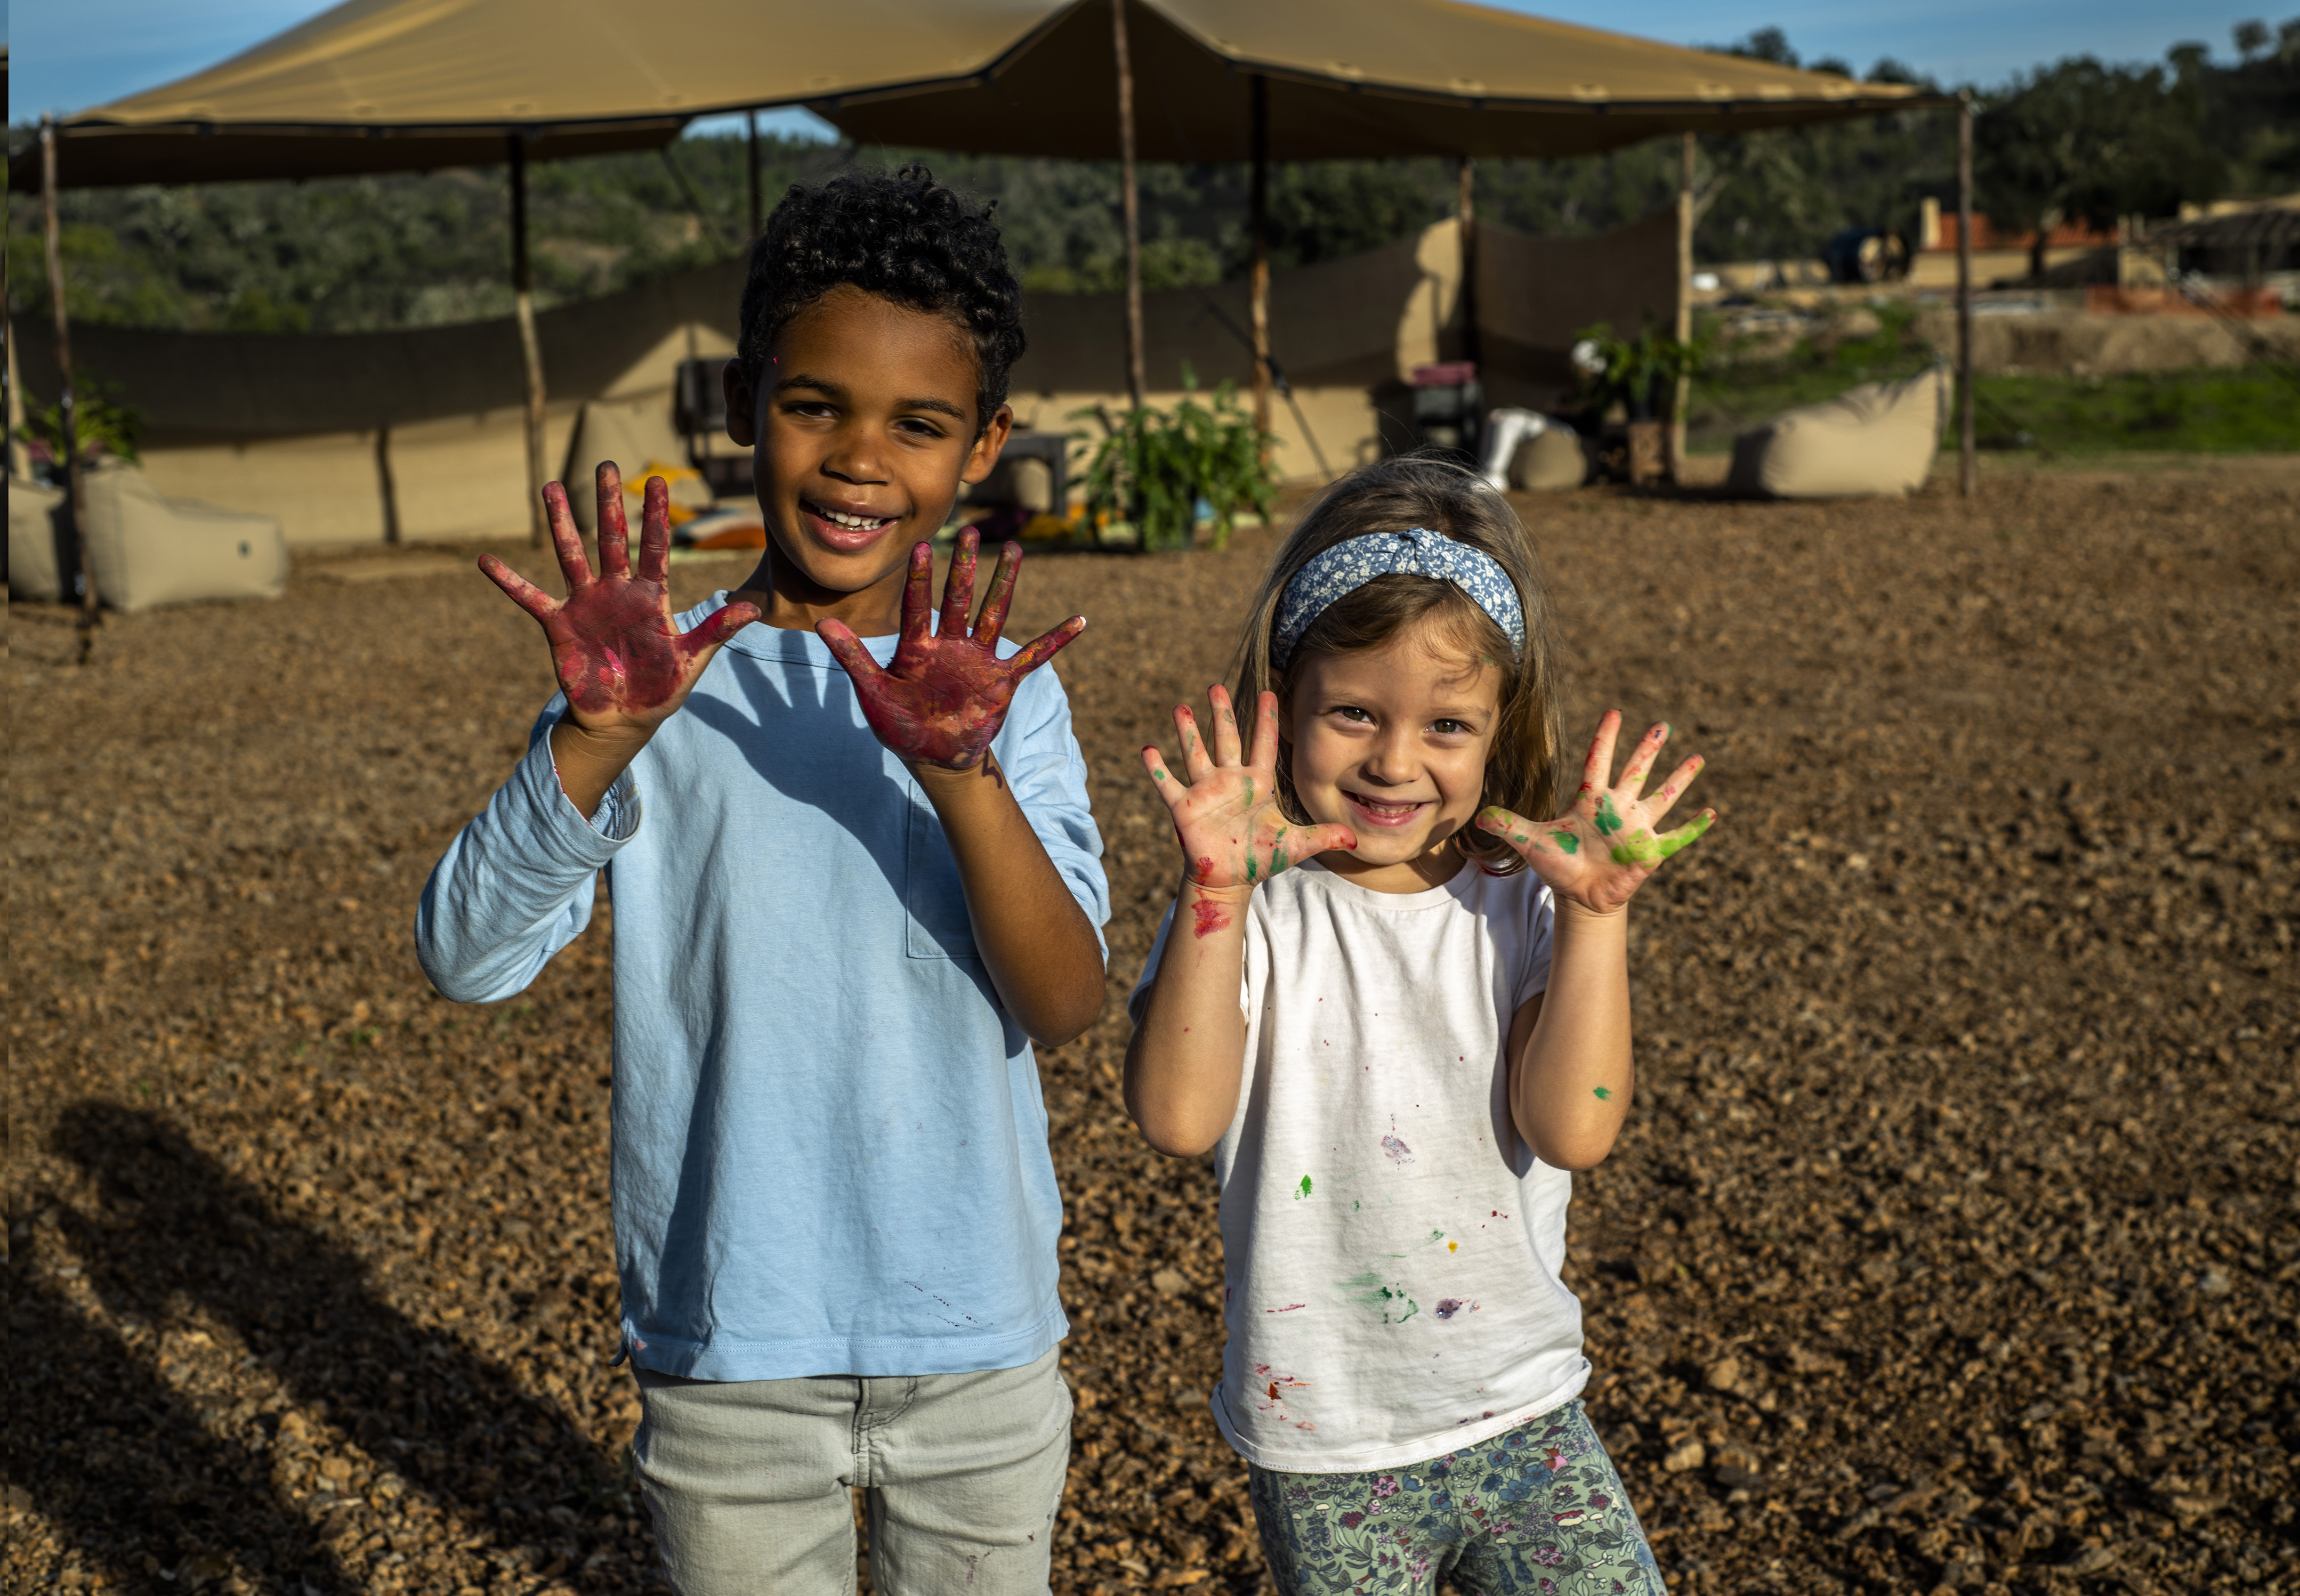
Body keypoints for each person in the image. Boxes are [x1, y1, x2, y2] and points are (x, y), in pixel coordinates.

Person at [416, 165, 1108, 1596]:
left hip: (974, 1335)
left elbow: (1065, 999)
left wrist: (962, 774)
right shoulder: (652, 688)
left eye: (919, 424)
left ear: (982, 447)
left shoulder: (1000, 702)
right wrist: (594, 742)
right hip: (730, 1340)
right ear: (744, 404)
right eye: (815, 406)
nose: (861, 458)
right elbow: (466, 957)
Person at [1123, 455, 1713, 1595]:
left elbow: (1575, 1129)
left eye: (1447, 723)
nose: (1395, 761)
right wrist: (1213, 900)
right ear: (1284, 700)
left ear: (1502, 728)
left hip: (1527, 1409)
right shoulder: (1249, 909)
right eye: (1354, 712)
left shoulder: (1524, 905)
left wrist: (1595, 919)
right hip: (1327, 1437)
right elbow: (1178, 1118)